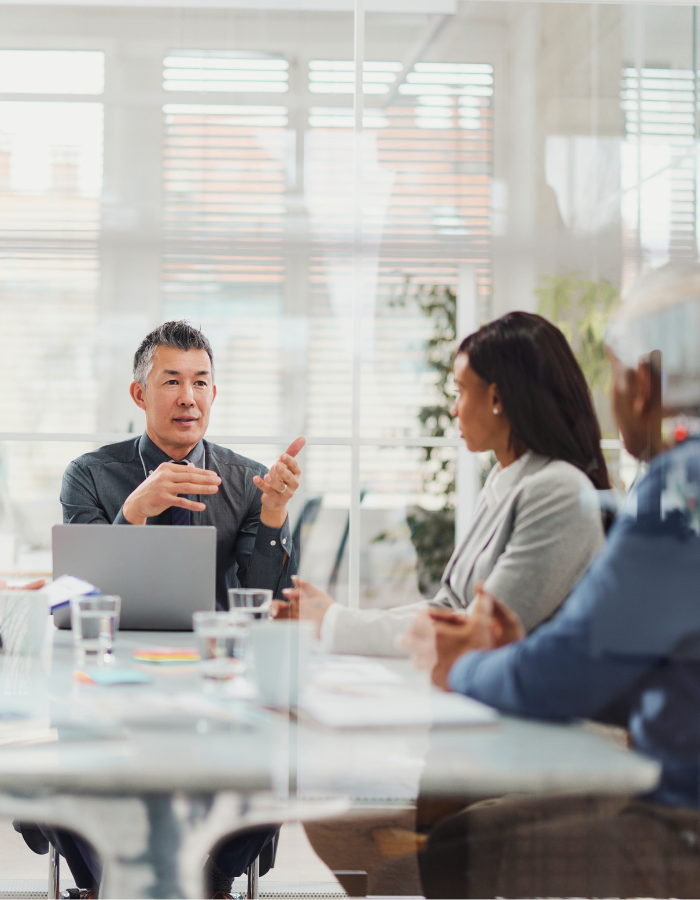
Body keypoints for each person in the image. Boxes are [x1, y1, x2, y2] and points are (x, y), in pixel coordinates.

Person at [405, 263, 700, 898]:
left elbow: (568, 672)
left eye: (614, 375)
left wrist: (464, 667)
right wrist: (521, 656)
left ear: (644, 385)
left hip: (681, 822)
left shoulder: (680, 495)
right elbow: (632, 672)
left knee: (452, 844)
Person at [24, 321, 305, 900]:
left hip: (213, 678)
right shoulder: (90, 474)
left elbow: (263, 604)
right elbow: (73, 595)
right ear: (139, 393)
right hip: (104, 675)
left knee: (283, 752)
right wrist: (133, 512)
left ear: (214, 393)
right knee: (50, 759)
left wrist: (274, 513)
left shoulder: (245, 481)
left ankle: (214, 878)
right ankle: (106, 882)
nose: (188, 398)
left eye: (200, 382)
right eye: (172, 381)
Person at [276, 312, 611, 658]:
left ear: (497, 399)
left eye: (461, 391)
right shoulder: (504, 480)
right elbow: (447, 606)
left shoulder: (560, 491)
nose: (454, 409)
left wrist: (334, 620)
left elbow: (478, 631)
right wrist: (333, 618)